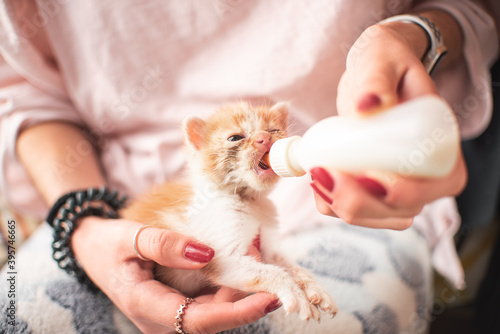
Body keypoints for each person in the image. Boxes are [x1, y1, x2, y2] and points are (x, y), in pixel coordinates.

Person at [0, 1, 498, 333]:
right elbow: (24, 94)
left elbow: (477, 11)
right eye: (239, 138)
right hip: (101, 201)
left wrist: (412, 34)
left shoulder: (270, 193)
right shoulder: (210, 200)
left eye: (270, 133)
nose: (263, 140)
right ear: (198, 144)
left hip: (353, 192)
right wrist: (84, 223)